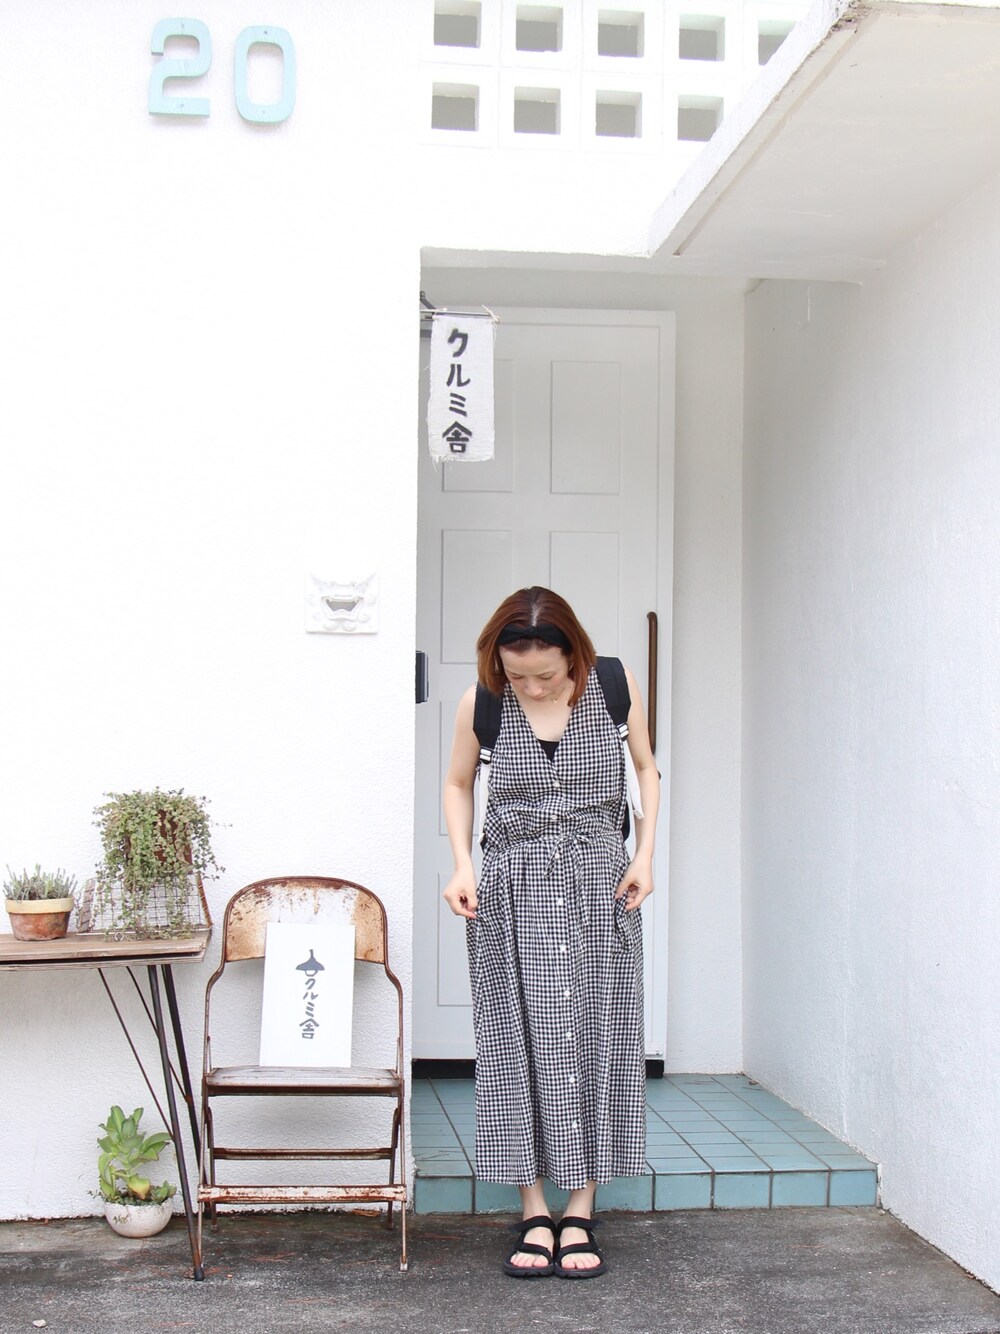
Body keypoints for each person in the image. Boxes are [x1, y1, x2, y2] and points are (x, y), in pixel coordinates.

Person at [442, 587, 659, 1280]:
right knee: (514, 1041)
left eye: (547, 675)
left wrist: (645, 856)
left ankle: (582, 1207)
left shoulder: (615, 686)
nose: (532, 688)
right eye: (518, 676)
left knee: (601, 1032)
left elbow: (646, 769)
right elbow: (457, 784)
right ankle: (534, 1208)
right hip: (511, 888)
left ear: (575, 655)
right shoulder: (482, 702)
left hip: (601, 885)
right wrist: (462, 865)